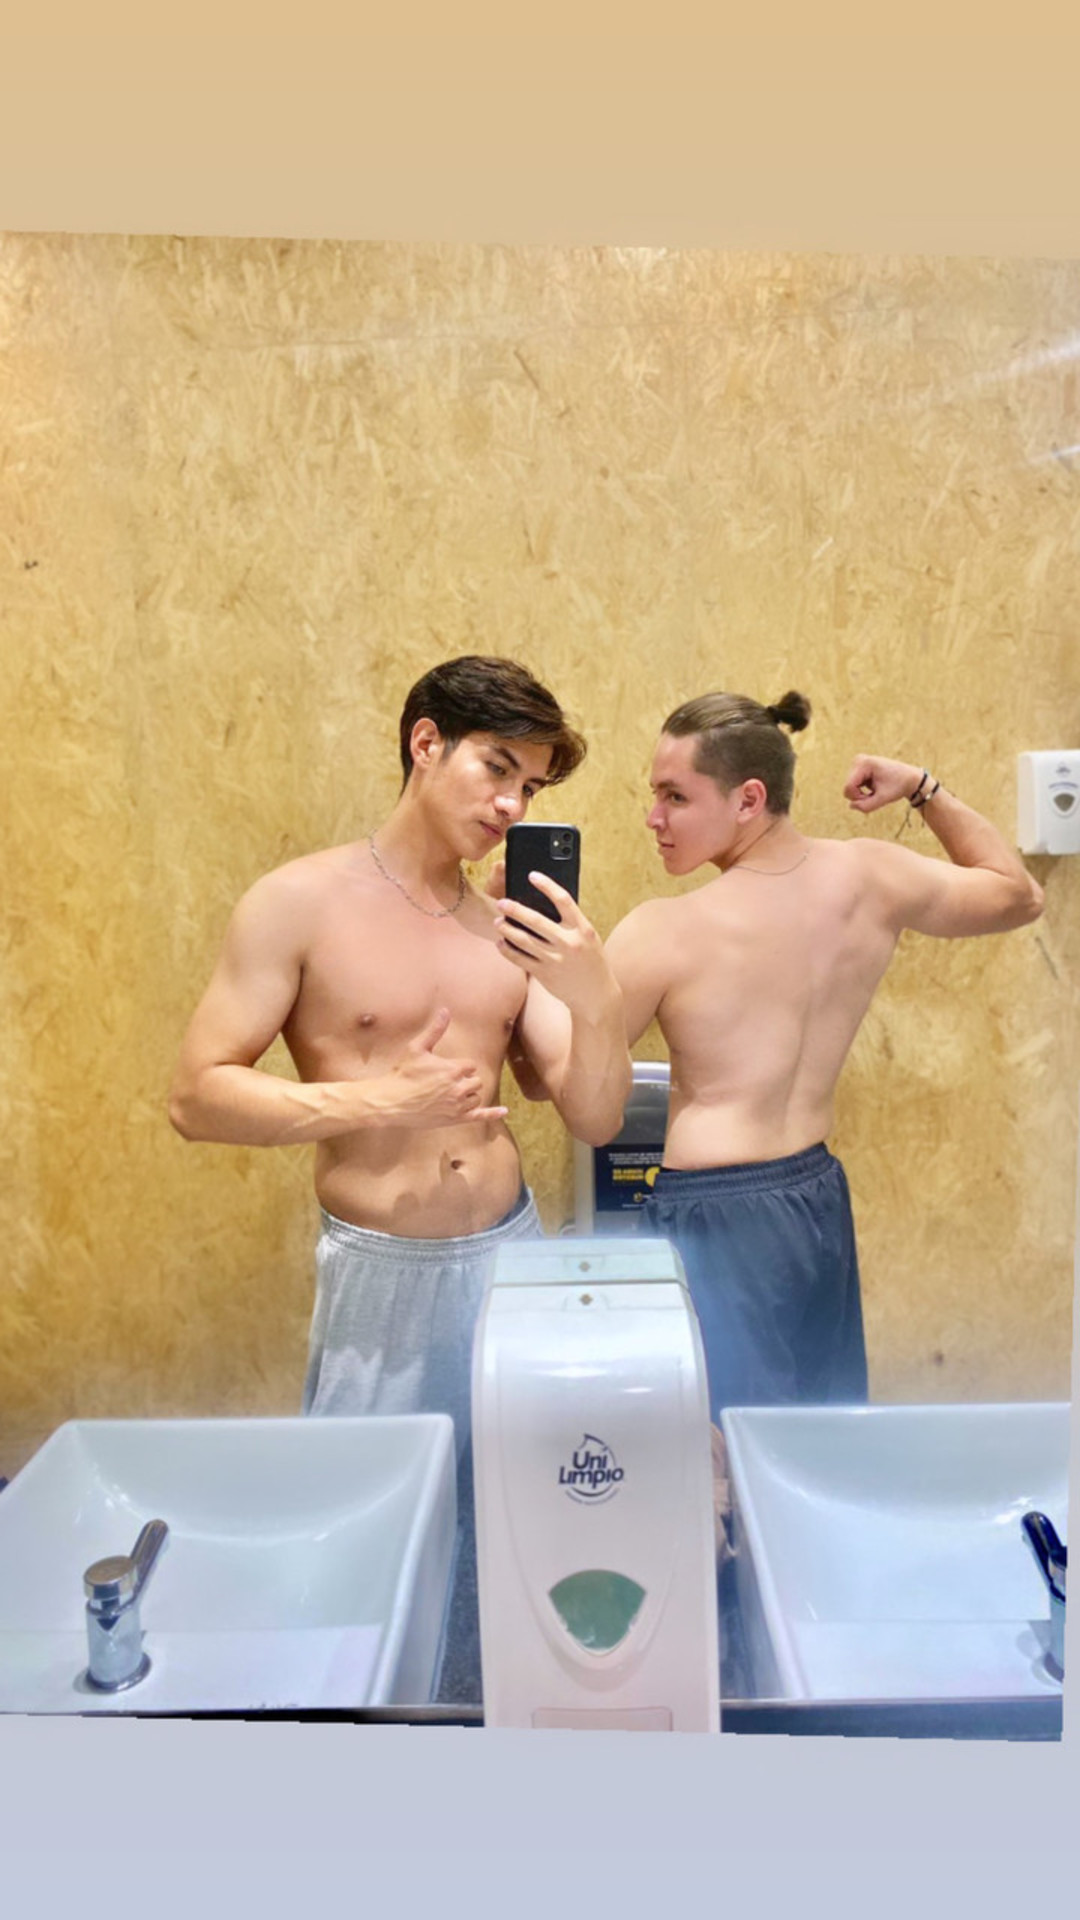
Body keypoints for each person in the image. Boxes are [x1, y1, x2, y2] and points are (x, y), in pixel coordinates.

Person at [169, 656, 631, 1616]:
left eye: (531, 787)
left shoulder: (508, 929)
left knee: (517, 1533)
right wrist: (377, 1103)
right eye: (497, 768)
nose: (512, 805)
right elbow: (197, 1098)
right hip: (382, 1277)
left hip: (510, 1261)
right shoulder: (298, 904)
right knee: (370, 1544)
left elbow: (595, 1116)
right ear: (426, 743)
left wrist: (595, 1002)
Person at [604, 689, 1044, 1420]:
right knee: (814, 1438)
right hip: (813, 1197)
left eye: (674, 796)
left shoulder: (665, 929)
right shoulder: (872, 876)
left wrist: (529, 954)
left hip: (719, 1216)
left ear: (749, 799)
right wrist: (922, 788)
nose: (654, 817)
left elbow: (569, 1081)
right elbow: (1017, 894)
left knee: (722, 1449)